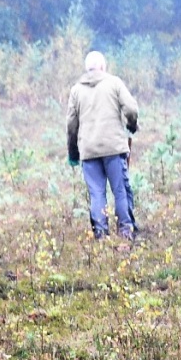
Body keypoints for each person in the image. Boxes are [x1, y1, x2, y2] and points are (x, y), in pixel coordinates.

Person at [67, 51, 139, 240]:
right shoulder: (114, 83)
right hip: (114, 148)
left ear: (87, 68)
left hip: (89, 151)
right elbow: (131, 109)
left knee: (96, 193)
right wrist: (132, 125)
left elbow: (71, 125)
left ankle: (100, 233)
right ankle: (125, 230)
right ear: (103, 66)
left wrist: (73, 153)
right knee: (120, 190)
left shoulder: (76, 90)